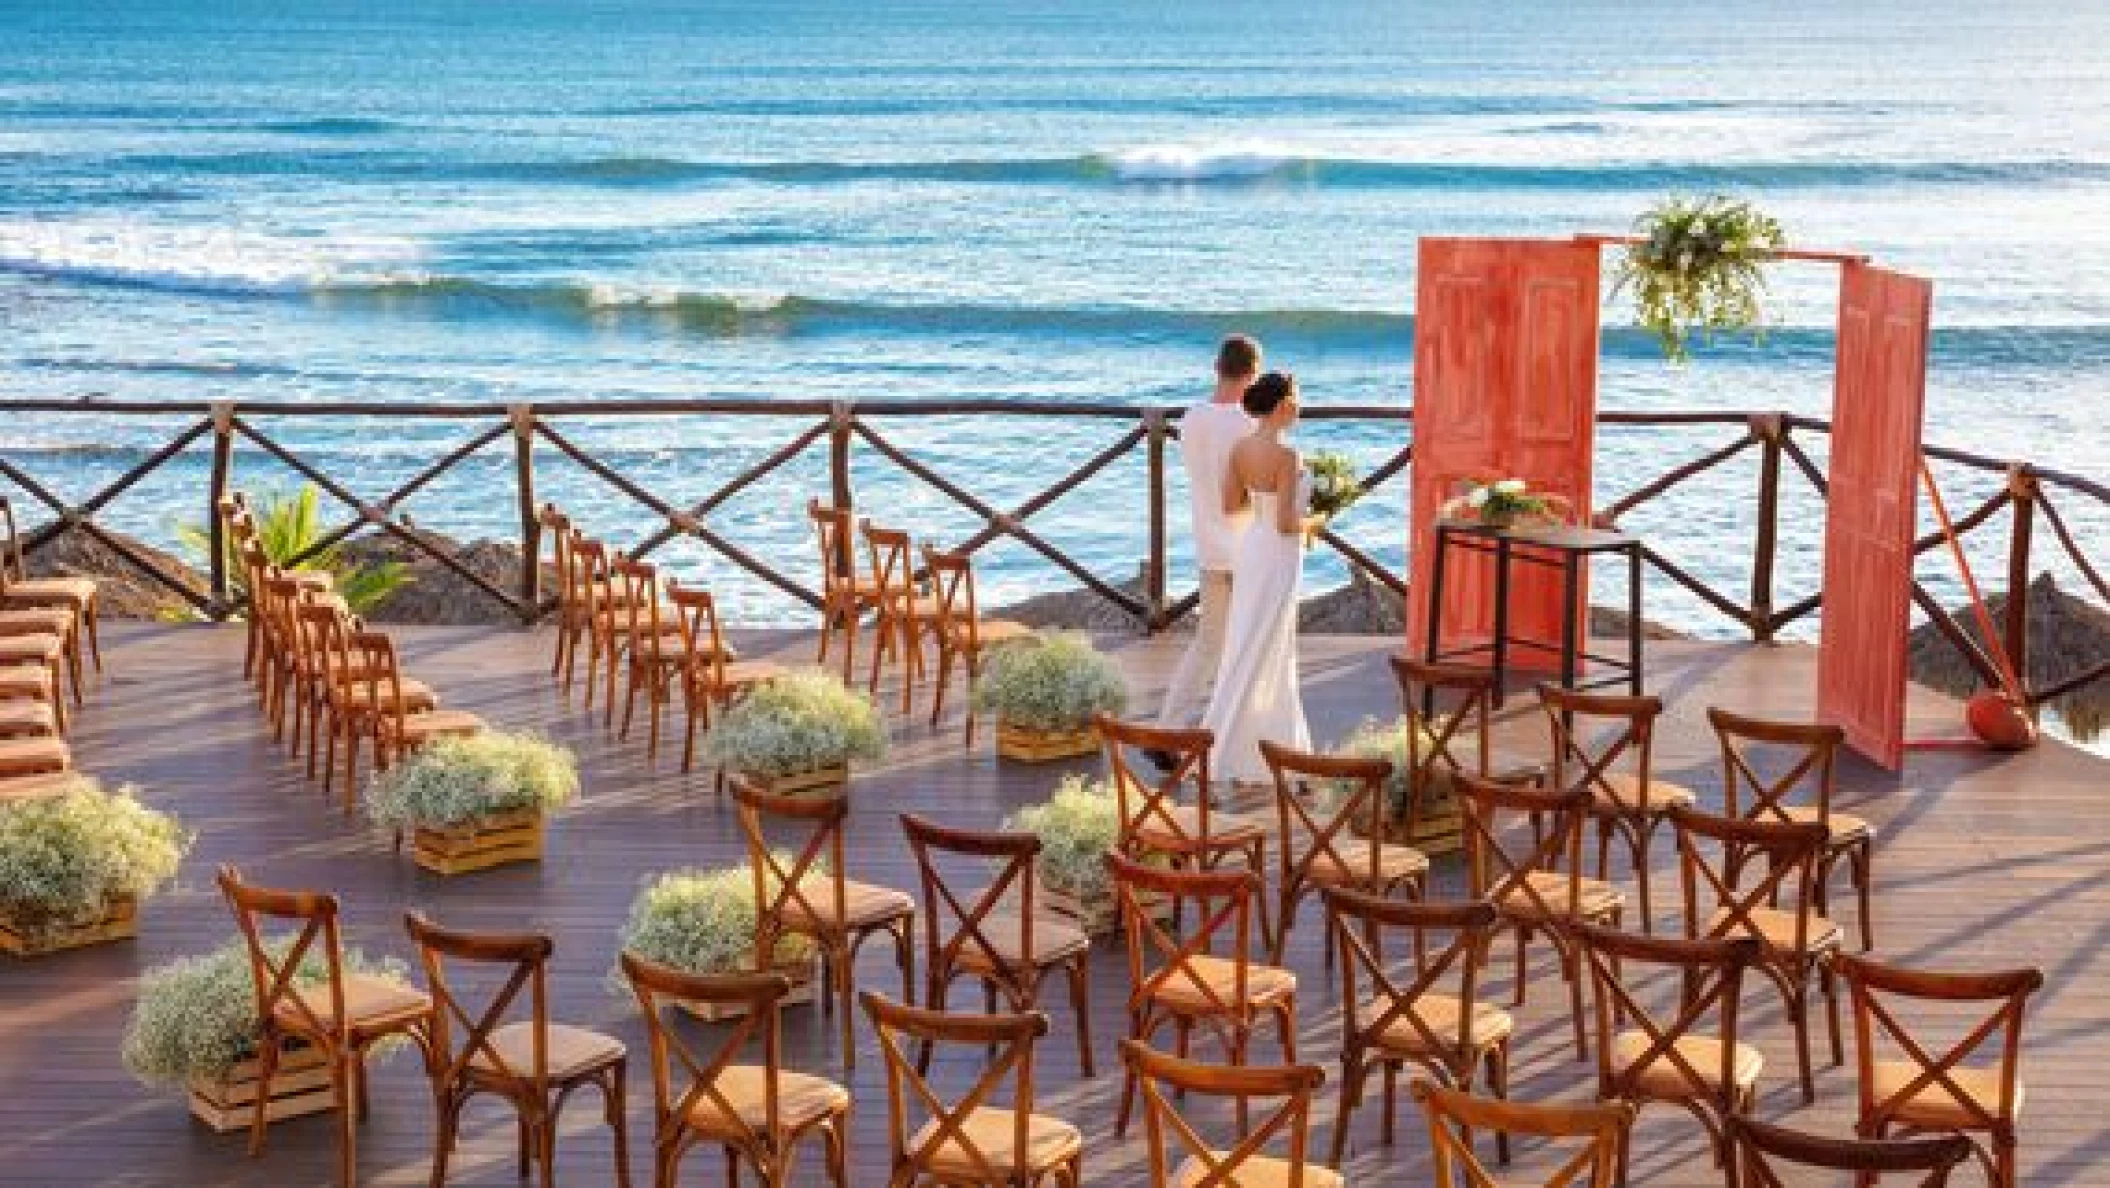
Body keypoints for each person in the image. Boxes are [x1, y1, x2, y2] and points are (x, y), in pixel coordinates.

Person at [1200, 370, 1313, 785]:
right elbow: (1287, 523)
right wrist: (1314, 522)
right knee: (1273, 646)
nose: (1300, 407)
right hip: (1279, 554)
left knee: (1246, 642)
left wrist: (1264, 513)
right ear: (1283, 405)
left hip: (1252, 549)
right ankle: (1267, 747)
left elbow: (1231, 505)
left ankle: (1226, 741)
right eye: (1297, 400)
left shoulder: (1240, 447)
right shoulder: (1288, 456)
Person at [1154, 334, 1260, 737]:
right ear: (1253, 374)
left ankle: (1169, 727)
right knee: (1248, 645)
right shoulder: (1250, 424)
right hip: (1248, 544)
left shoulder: (1192, 418)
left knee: (1207, 644)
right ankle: (1236, 732)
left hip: (1209, 543)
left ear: (1217, 368)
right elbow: (1253, 492)